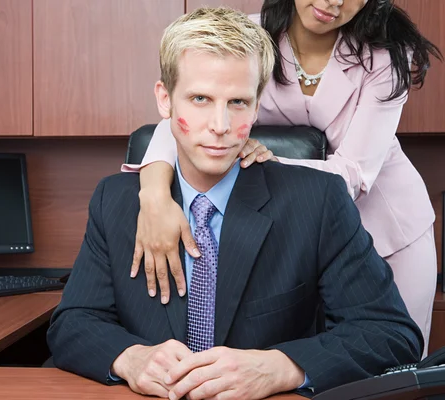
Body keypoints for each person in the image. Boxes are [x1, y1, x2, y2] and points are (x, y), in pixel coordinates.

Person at [47, 7, 422, 399]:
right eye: (200, 99)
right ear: (165, 100)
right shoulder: (115, 201)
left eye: (238, 103)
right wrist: (130, 357)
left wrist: (280, 367)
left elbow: (390, 335)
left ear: (258, 106)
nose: (221, 125)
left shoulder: (318, 200)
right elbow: (73, 323)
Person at [122, 0, 440, 357]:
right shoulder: (248, 37)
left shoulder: (385, 55)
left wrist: (271, 162)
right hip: (292, 235)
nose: (332, 1)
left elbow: (354, 173)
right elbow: (181, 115)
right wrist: (153, 196)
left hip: (388, 228)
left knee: (395, 364)